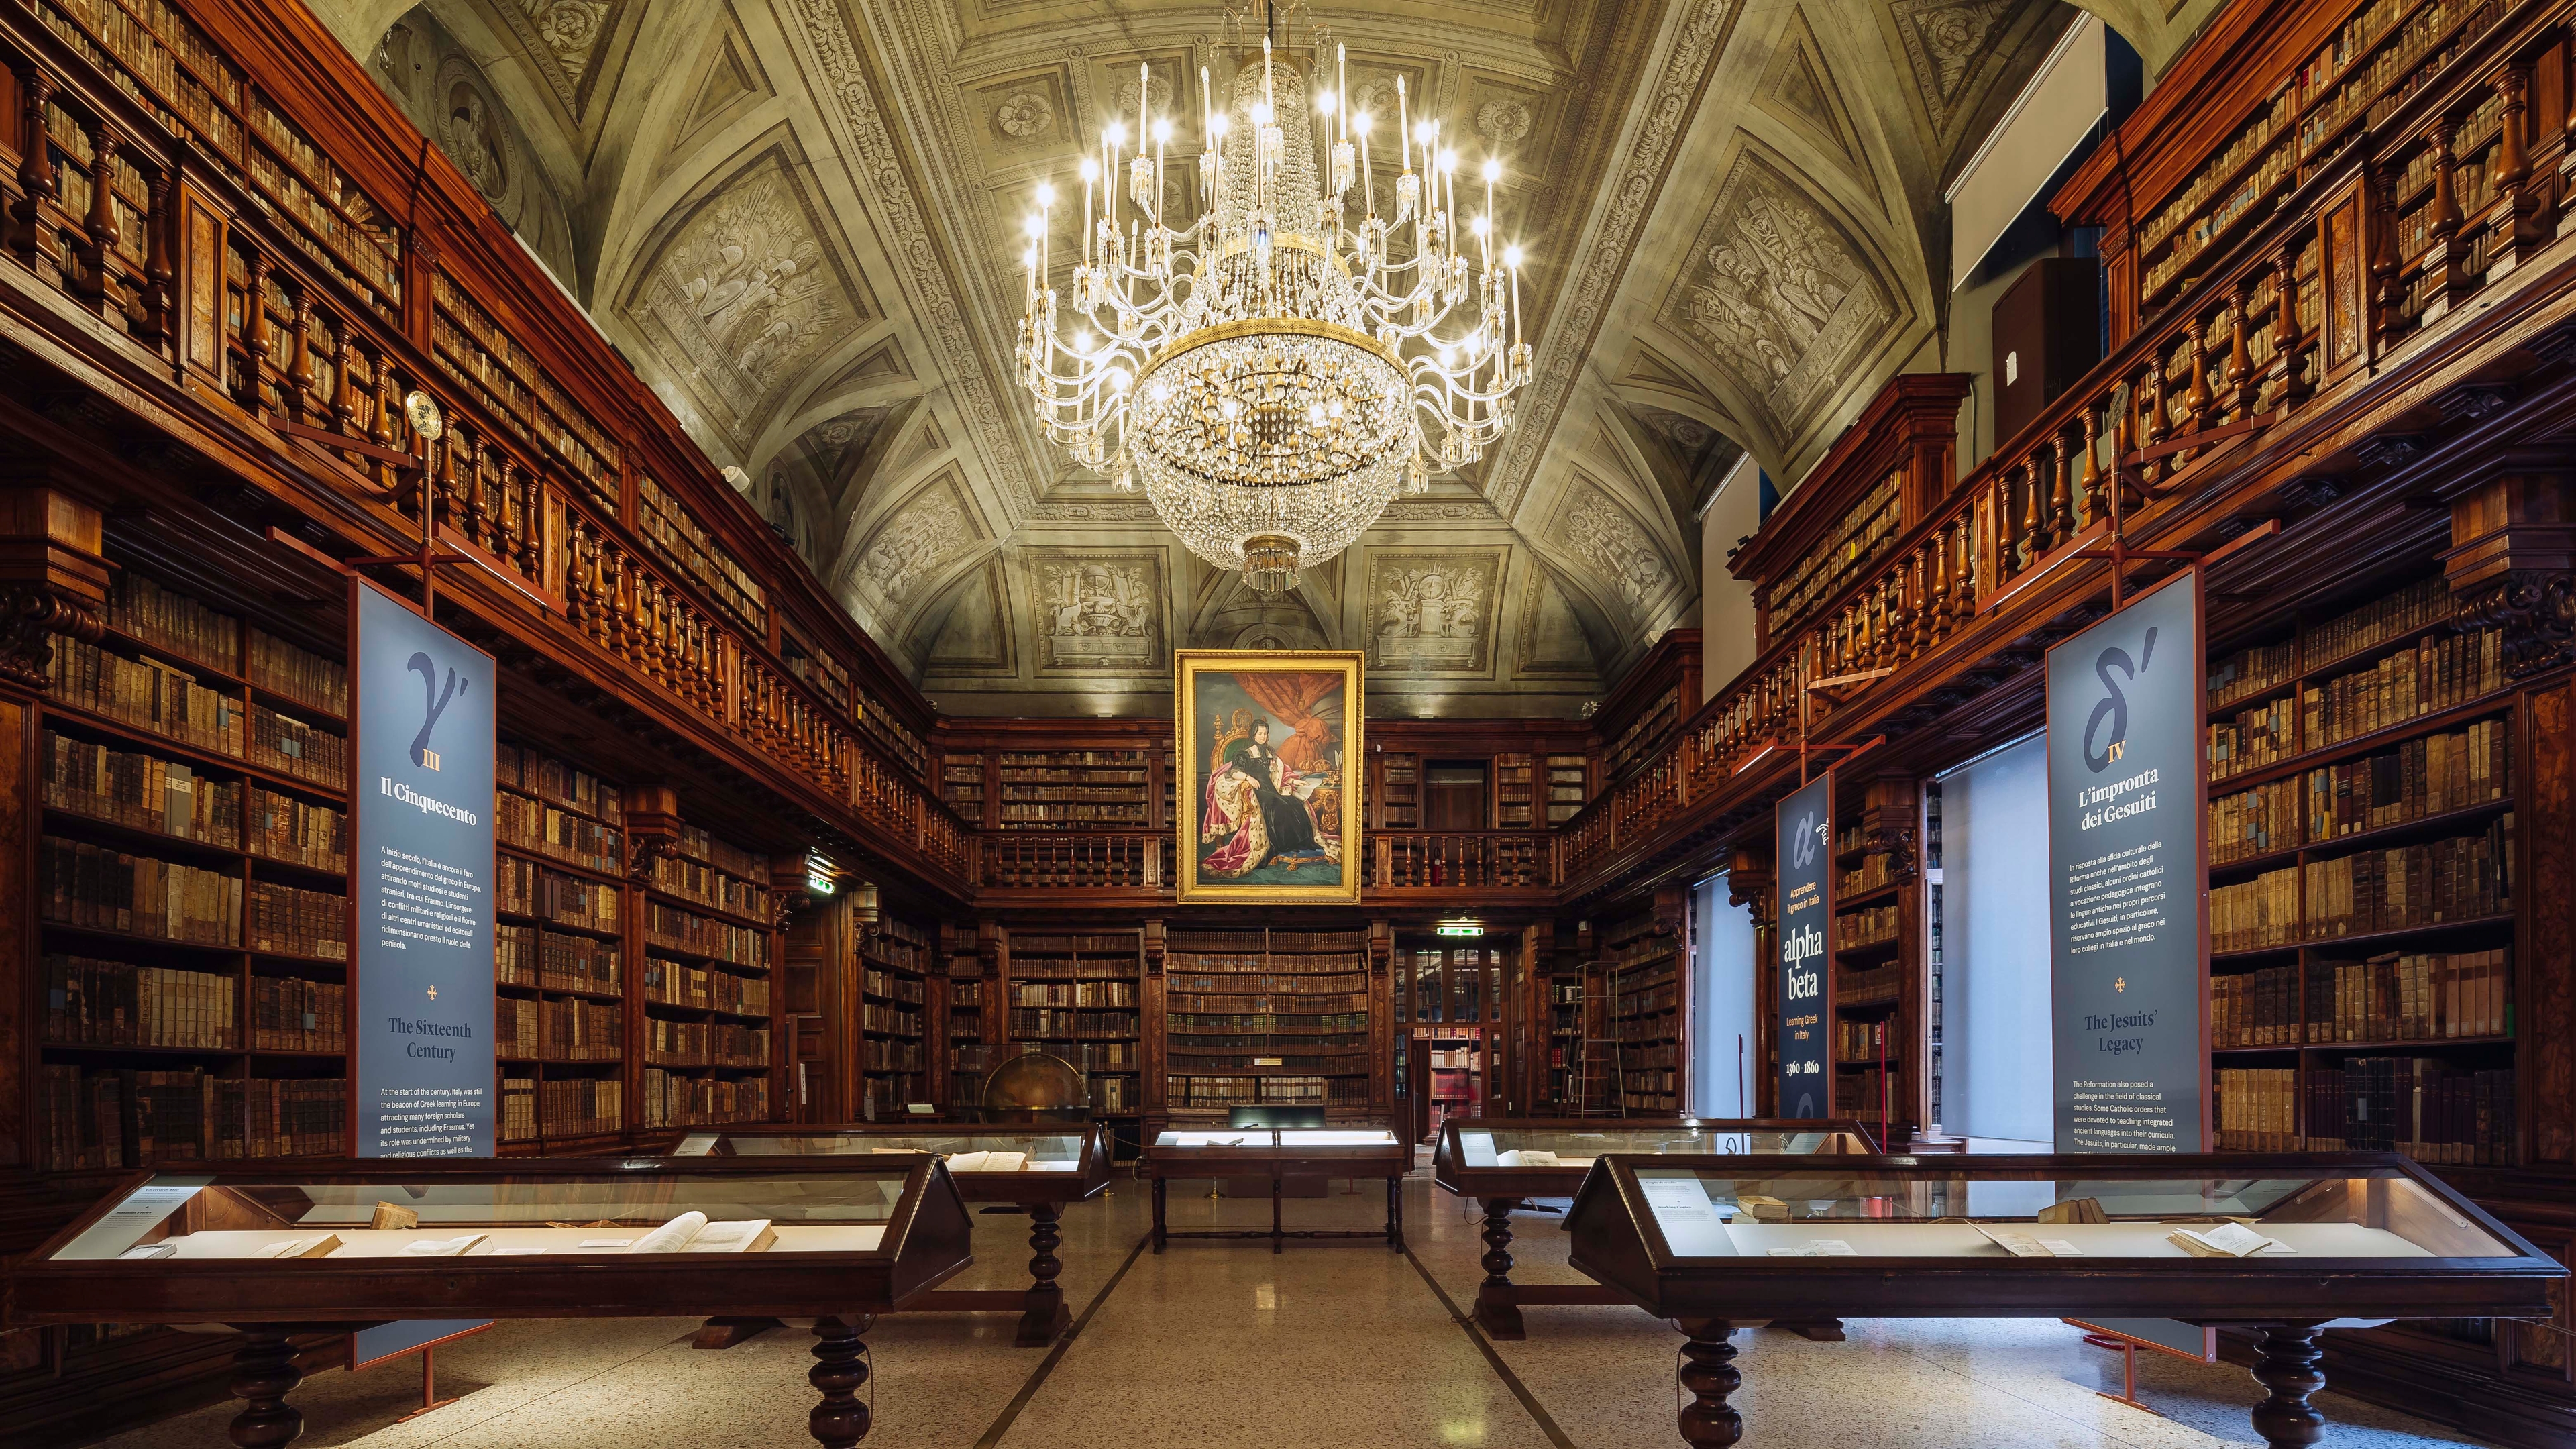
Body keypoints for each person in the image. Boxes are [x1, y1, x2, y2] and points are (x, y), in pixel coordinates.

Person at [1199, 718, 1324, 876]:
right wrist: (1247, 778)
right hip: (1258, 791)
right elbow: (1234, 771)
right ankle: (1278, 846)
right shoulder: (1246, 754)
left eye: (1265, 733)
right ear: (1254, 735)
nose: (1263, 736)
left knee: (1294, 803)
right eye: (1260, 734)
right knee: (1276, 805)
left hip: (1272, 788)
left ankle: (1294, 844)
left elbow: (1279, 775)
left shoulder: (1270, 753)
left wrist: (1294, 780)